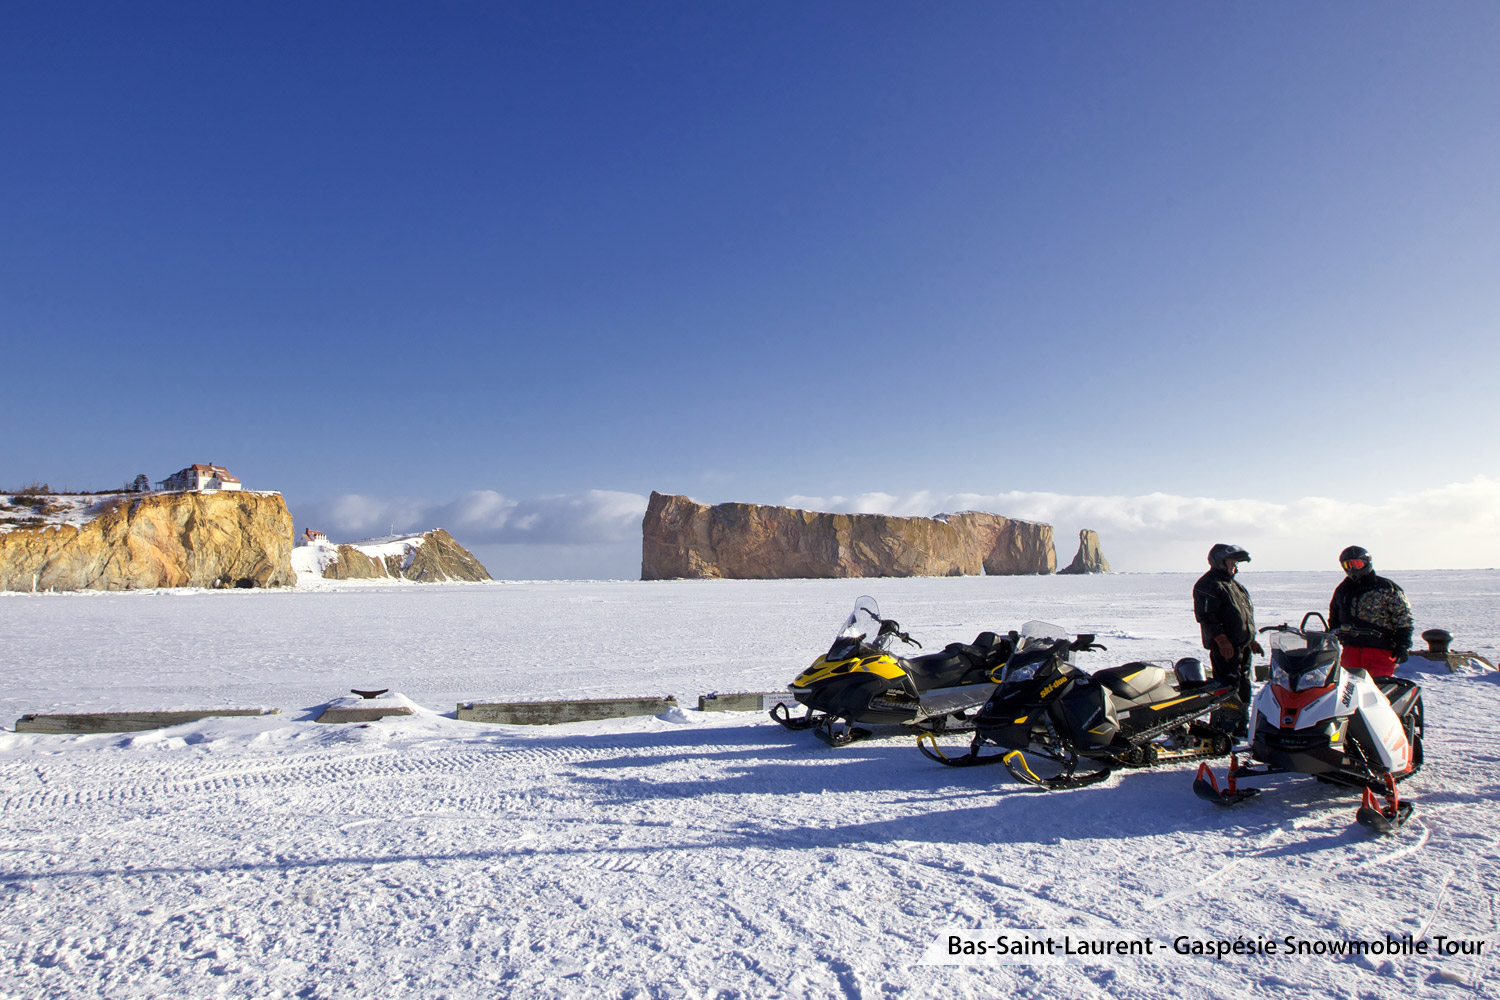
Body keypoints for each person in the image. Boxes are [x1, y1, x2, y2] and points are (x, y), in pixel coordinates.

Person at [1192, 543, 1261, 736]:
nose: (1234, 565)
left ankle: (1240, 724)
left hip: (1242, 646)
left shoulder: (1235, 586)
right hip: (1225, 648)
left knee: (1243, 684)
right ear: (1219, 561)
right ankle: (1225, 727)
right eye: (1231, 561)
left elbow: (1245, 615)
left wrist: (1251, 640)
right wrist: (1221, 640)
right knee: (1227, 686)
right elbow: (1206, 616)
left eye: (1235, 562)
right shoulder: (1209, 584)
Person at [1328, 545, 1412, 678]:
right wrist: (1332, 636)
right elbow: (1334, 618)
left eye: (1357, 564)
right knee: (1349, 691)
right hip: (1350, 650)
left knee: (1377, 690)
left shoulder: (1386, 588)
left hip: (1380, 649)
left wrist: (1403, 645)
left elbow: (1403, 620)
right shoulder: (1343, 590)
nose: (1353, 568)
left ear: (1367, 563)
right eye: (1348, 565)